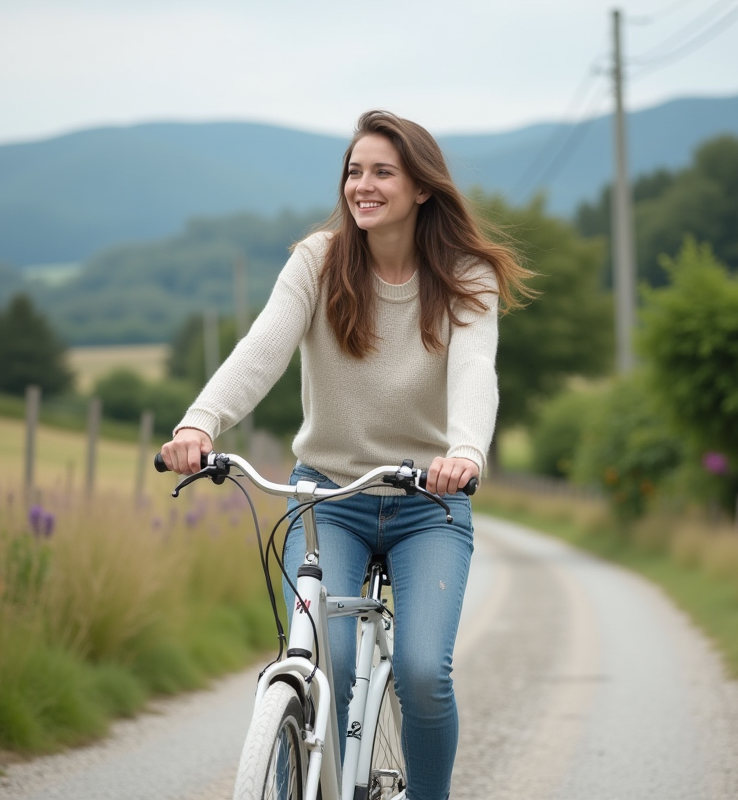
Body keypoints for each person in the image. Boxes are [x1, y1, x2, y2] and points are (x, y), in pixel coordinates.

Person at [160, 109, 532, 800]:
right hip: (328, 497)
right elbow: (262, 349)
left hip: (430, 503)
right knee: (315, 661)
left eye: (382, 172)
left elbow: (476, 370)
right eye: (354, 171)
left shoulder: (465, 276)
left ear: (421, 187)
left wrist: (465, 451)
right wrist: (199, 423)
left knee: (423, 672)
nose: (363, 184)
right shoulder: (319, 262)